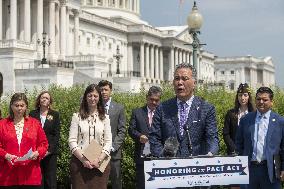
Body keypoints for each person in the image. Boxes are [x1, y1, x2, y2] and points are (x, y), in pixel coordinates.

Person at [149, 63, 219, 158]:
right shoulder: (162, 108)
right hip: (168, 167)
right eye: (177, 78)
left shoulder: (206, 108)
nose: (180, 82)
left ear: (194, 83)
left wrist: (210, 153)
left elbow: (212, 138)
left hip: (196, 167)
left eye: (184, 79)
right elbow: (154, 138)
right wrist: (163, 157)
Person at [235, 87, 284, 189]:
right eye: (258, 99)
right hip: (249, 170)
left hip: (271, 171)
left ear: (271, 102)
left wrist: (283, 168)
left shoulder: (280, 121)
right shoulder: (246, 120)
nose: (261, 102)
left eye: (265, 100)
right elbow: (239, 143)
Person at [0, 93, 48, 188]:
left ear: (26, 106)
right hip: (8, 175)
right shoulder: (2, 124)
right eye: (16, 105)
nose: (19, 108)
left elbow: (44, 144)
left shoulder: (35, 123)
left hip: (31, 175)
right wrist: (5, 155)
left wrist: (37, 153)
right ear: (11, 106)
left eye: (22, 105)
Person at [68, 84, 112, 189]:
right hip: (80, 163)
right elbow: (72, 141)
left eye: (95, 96)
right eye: (90, 95)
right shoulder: (76, 117)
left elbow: (108, 141)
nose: (93, 98)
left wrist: (99, 159)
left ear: (99, 98)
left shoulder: (105, 118)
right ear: (85, 97)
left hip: (100, 164)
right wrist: (83, 160)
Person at [128, 86, 162, 189]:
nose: (154, 102)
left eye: (157, 100)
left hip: (159, 156)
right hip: (142, 155)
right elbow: (131, 130)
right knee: (142, 185)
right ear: (147, 98)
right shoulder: (137, 112)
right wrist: (139, 136)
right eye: (152, 99)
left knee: (158, 185)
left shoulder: (163, 114)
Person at [98, 80, 126, 189]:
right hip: (97, 151)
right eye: (101, 90)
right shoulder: (95, 107)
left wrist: (113, 147)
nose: (103, 92)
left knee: (116, 181)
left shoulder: (119, 108)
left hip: (114, 153)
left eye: (106, 90)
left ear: (111, 91)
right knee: (98, 181)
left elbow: (122, 130)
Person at [29, 91, 60, 189]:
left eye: (47, 98)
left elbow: (56, 135)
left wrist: (48, 151)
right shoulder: (32, 113)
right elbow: (29, 133)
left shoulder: (55, 114)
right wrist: (36, 151)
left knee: (50, 181)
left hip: (50, 153)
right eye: (42, 97)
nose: (44, 99)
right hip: (36, 153)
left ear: (50, 101)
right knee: (38, 180)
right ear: (39, 99)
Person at [223, 83, 255, 155]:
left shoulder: (254, 114)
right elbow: (226, 134)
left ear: (249, 97)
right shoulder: (231, 113)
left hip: (251, 152)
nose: (242, 98)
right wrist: (234, 148)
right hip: (234, 152)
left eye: (245, 95)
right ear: (237, 97)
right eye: (240, 95)